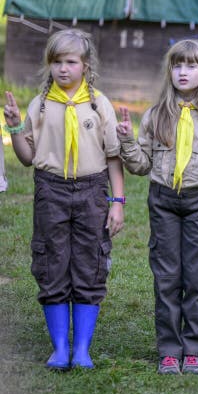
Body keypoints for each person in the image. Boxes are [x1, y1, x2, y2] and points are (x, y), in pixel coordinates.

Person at [3, 29, 124, 370]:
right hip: (50, 191)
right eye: (56, 62)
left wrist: (118, 202)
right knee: (51, 263)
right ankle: (60, 347)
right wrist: (14, 127)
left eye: (70, 62)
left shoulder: (99, 105)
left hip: (91, 190)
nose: (63, 69)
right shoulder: (40, 105)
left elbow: (114, 157)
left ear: (85, 65)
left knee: (90, 263)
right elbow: (28, 158)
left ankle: (82, 348)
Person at [116, 39, 198, 375]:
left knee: (197, 279)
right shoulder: (156, 116)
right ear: (169, 70)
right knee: (167, 277)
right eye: (177, 65)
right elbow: (141, 165)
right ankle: (170, 350)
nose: (183, 72)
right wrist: (127, 139)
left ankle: (195, 349)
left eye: (191, 65)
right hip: (164, 201)